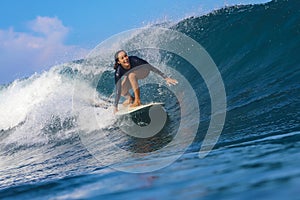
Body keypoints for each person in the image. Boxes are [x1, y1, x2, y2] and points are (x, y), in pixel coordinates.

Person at [113, 50, 178, 113]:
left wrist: (166, 77)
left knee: (131, 75)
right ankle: (130, 99)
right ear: (119, 62)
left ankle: (137, 101)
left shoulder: (134, 60)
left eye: (125, 56)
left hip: (144, 71)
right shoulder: (118, 72)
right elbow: (118, 89)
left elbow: (150, 67)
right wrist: (115, 107)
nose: (125, 58)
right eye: (122, 58)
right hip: (133, 74)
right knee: (122, 89)